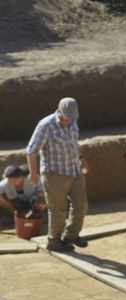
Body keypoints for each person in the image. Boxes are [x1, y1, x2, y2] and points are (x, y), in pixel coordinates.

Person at [25, 98, 89, 252]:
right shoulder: (46, 125)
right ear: (59, 111)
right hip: (54, 174)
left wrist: (82, 160)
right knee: (58, 210)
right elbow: (31, 150)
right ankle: (54, 241)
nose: (69, 121)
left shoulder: (73, 122)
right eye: (66, 117)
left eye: (72, 118)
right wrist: (33, 174)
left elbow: (74, 145)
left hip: (74, 170)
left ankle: (71, 236)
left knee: (81, 206)